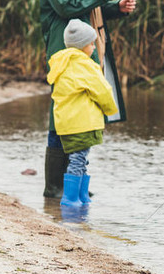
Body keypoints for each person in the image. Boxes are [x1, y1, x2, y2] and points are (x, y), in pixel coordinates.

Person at [37, 0, 136, 198]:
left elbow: (86, 12)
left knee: (78, 116)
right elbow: (68, 6)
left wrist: (117, 7)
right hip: (65, 53)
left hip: (83, 52)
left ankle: (72, 183)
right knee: (60, 119)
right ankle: (54, 188)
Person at [47, 19, 118, 207]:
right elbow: (102, 90)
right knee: (79, 159)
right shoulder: (84, 65)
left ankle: (81, 195)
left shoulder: (61, 64)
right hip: (82, 123)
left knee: (80, 158)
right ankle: (70, 199)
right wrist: (110, 109)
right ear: (81, 46)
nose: (94, 47)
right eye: (91, 44)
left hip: (67, 124)